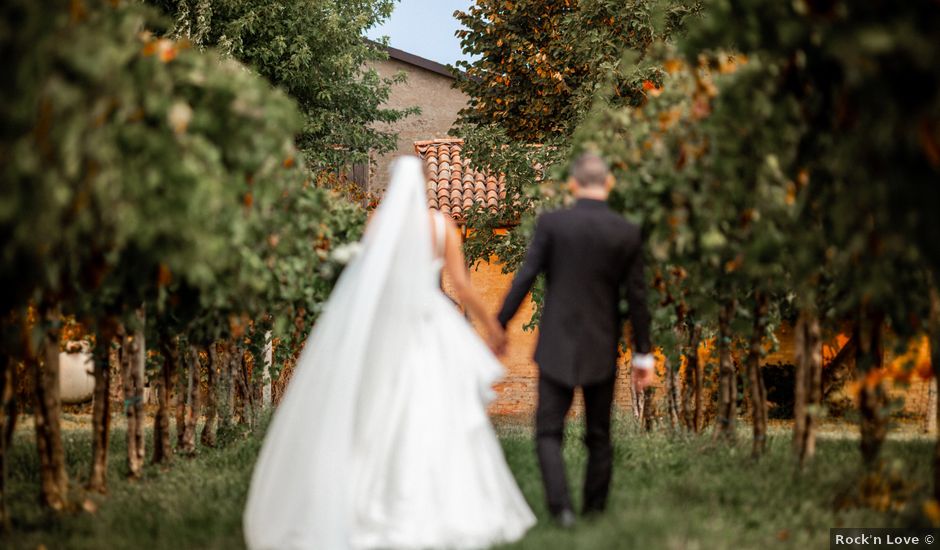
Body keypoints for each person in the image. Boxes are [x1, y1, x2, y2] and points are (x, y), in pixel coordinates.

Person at [243, 156, 535, 549]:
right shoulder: (440, 227)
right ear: (426, 185)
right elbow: (464, 288)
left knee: (379, 409)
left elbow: (365, 281)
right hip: (428, 326)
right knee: (432, 408)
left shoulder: (378, 225)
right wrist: (494, 327)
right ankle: (434, 498)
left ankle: (371, 501)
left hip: (386, 327)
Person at [497, 152, 655, 528]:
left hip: (556, 345)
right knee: (599, 433)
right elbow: (638, 298)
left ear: (572, 184)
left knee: (548, 431)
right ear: (609, 183)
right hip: (601, 345)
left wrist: (499, 324)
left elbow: (526, 277)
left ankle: (561, 510)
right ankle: (595, 511)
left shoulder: (552, 224)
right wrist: (643, 355)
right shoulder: (627, 232)